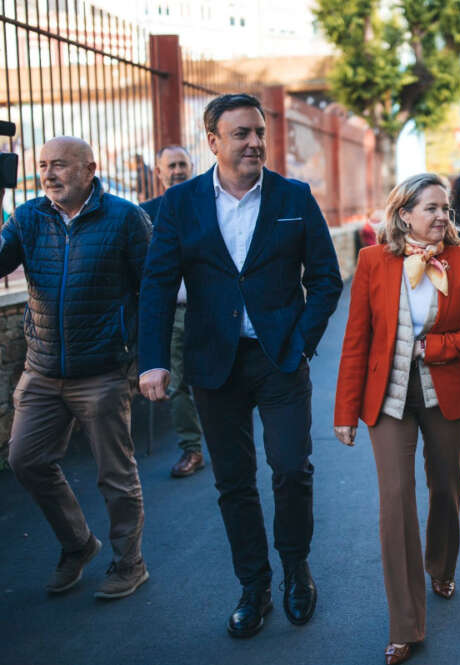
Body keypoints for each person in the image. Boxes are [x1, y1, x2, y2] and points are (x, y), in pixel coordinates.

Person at [138, 94, 343, 638]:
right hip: (213, 362)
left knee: (291, 469)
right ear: (212, 141)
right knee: (233, 482)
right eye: (241, 134)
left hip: (279, 360)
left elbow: (326, 279)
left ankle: (296, 568)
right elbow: (156, 286)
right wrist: (153, 360)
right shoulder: (180, 204)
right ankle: (254, 586)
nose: (254, 142)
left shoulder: (294, 197)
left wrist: (301, 341)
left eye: (259, 132)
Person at [334, 173, 460, 664]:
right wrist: (346, 412)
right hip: (388, 398)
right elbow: (356, 339)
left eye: (445, 208)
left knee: (445, 487)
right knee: (395, 503)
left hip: (447, 397)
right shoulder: (372, 262)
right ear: (405, 214)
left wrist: (434, 347)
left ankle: (442, 564)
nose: (443, 216)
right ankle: (406, 625)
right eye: (431, 208)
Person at [4, 136, 151, 599]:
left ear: (90, 169)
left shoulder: (126, 218)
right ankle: (78, 544)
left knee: (116, 475)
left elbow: (154, 291)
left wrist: (148, 362)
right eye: (43, 165)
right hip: (42, 369)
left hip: (102, 371)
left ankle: (130, 563)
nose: (49, 174)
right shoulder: (29, 217)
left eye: (61, 165)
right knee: (25, 459)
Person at [140, 145, 205, 478]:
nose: (178, 170)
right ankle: (191, 449)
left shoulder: (206, 205)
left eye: (183, 164)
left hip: (211, 309)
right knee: (177, 383)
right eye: (171, 165)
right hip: (175, 313)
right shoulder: (144, 214)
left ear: (191, 167)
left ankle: (229, 443)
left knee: (221, 379)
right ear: (159, 172)